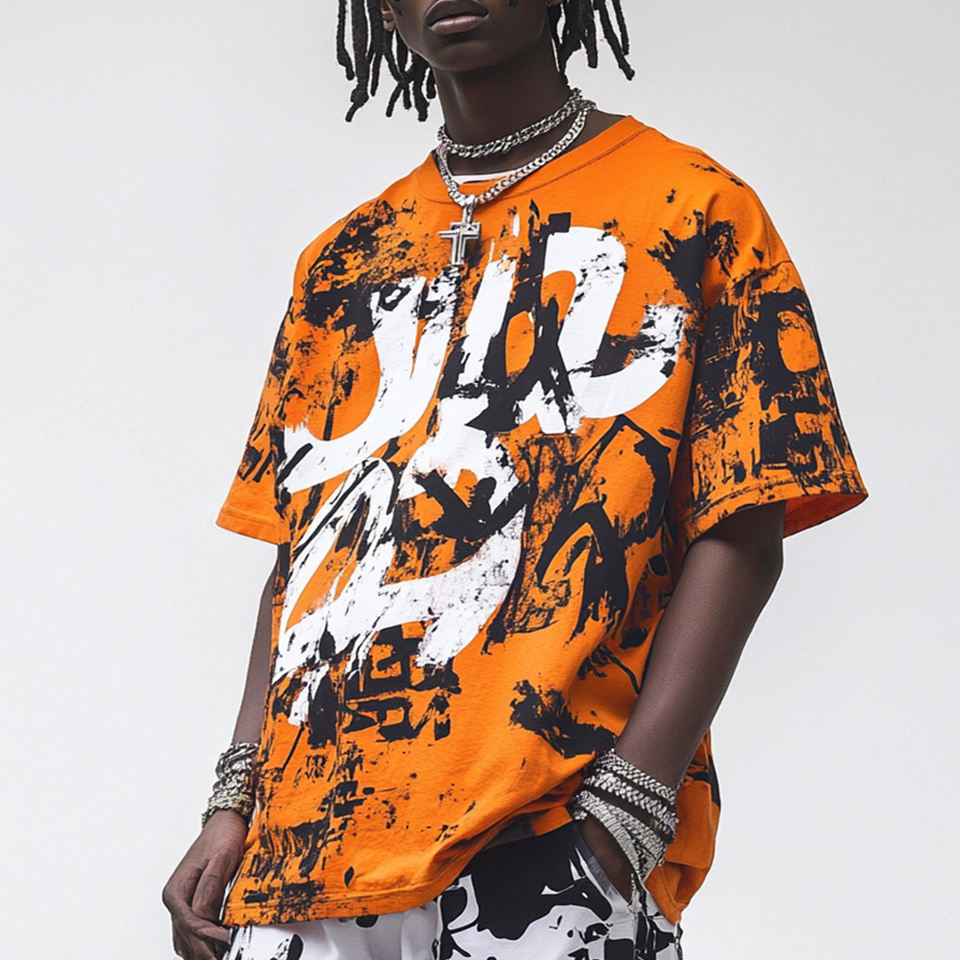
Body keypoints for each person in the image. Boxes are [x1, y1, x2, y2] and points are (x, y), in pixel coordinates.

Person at [162, 2, 870, 959]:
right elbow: (304, 559)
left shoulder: (695, 208)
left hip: (544, 843)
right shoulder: (340, 263)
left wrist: (627, 812)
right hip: (301, 860)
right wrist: (232, 804)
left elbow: (744, 527)